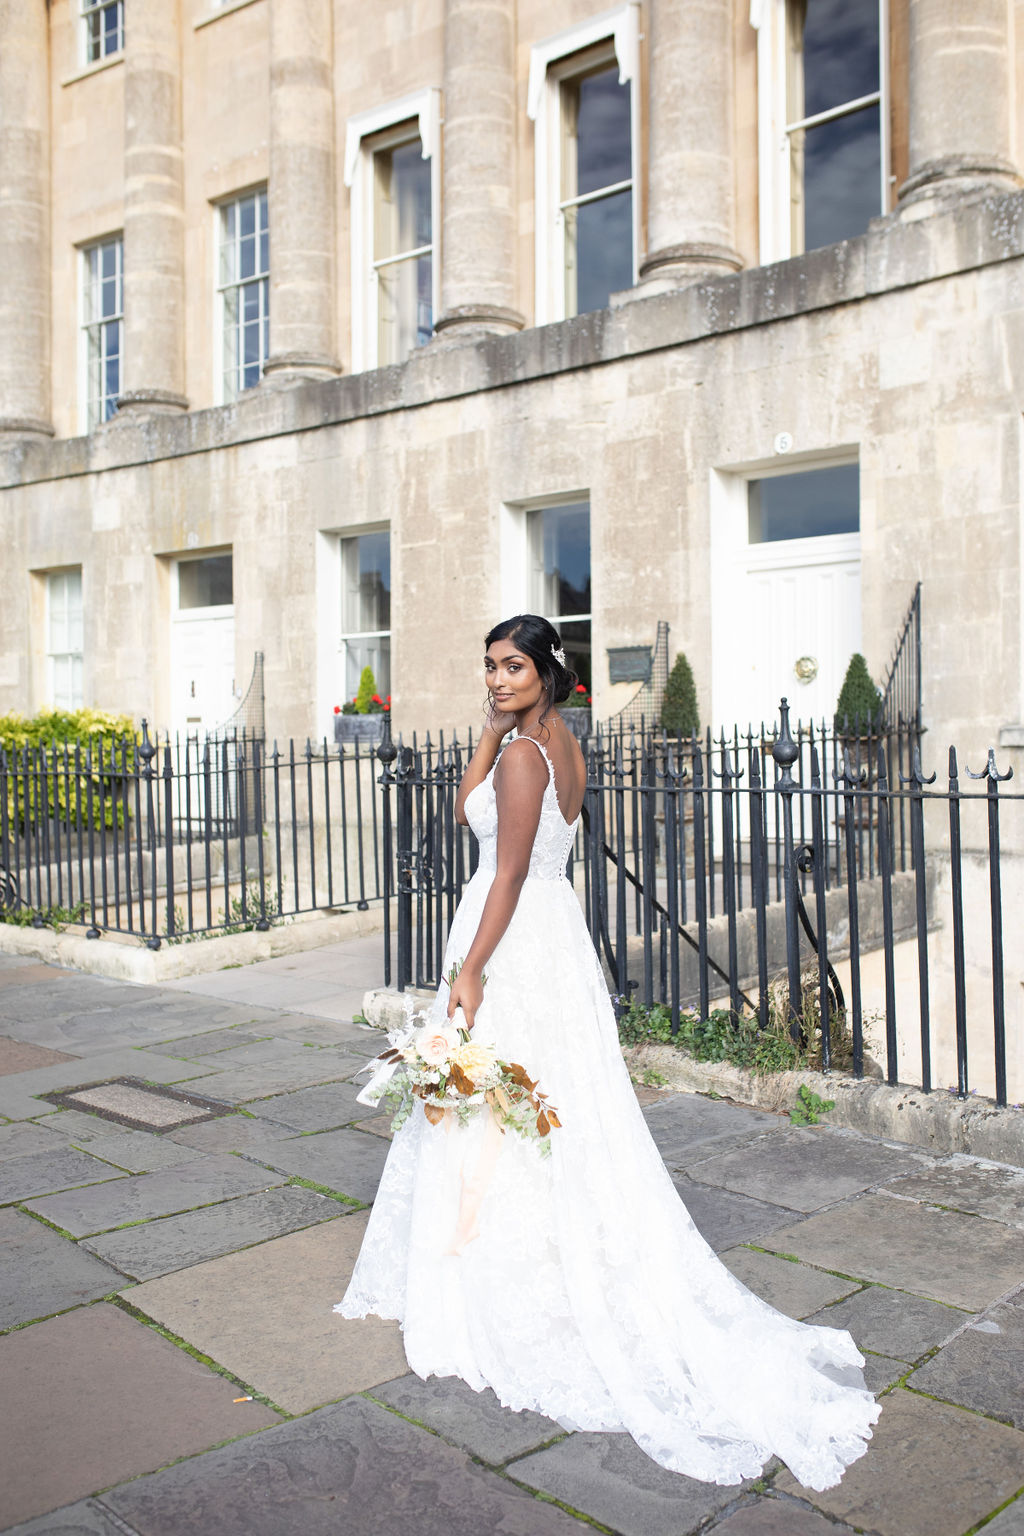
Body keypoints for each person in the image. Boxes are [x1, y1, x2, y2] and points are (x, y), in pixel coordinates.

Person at [336, 614, 879, 1490]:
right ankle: (507, 1234)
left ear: (548, 669)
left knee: (491, 1096)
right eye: (489, 668)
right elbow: (480, 819)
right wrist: (491, 726)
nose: (497, 679)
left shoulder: (523, 757)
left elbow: (504, 870)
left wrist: (471, 967)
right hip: (553, 937)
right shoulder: (556, 745)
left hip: (508, 938)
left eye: (512, 667)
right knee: (543, 1100)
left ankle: (486, 1259)